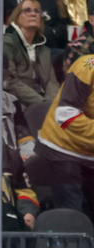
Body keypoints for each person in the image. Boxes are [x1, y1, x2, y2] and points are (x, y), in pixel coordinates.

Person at [37, 51, 94, 214]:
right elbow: (65, 114)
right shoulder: (87, 66)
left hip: (89, 150)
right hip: (62, 147)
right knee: (72, 213)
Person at [4, 0, 60, 108]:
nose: (33, 14)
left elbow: (51, 82)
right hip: (19, 104)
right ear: (17, 18)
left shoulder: (44, 50)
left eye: (37, 11)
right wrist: (42, 103)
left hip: (44, 104)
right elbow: (10, 81)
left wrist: (52, 106)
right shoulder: (7, 43)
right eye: (27, 10)